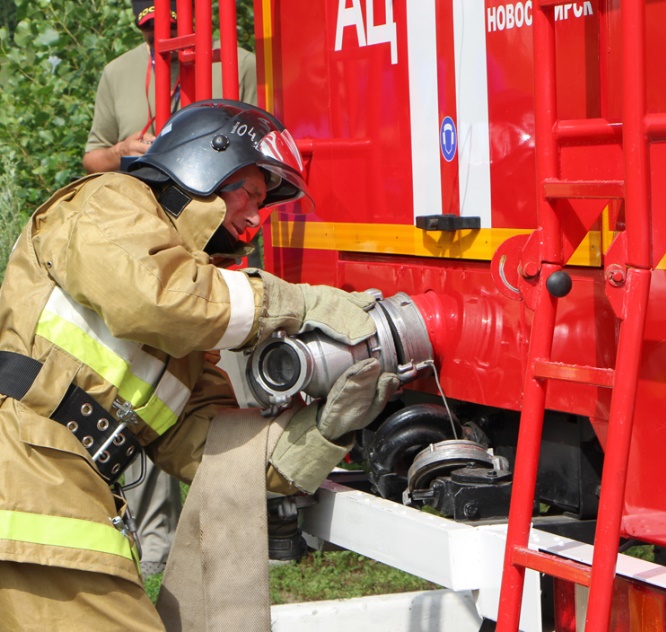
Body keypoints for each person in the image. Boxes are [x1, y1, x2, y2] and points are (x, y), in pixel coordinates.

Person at [0, 99, 398, 630]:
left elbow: (212, 448)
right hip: (27, 485)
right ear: (203, 163)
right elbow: (154, 297)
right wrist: (298, 304)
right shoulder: (109, 201)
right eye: (251, 193)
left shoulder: (184, 346)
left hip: (55, 492)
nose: (256, 218)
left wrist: (325, 429)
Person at [82, 0, 258, 575]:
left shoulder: (246, 65)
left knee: (221, 390)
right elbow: (93, 157)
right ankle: (156, 538)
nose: (166, 33)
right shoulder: (120, 72)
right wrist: (123, 154)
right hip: (152, 255)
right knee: (154, 387)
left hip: (231, 252)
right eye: (154, 23)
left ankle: (245, 530)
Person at [83, 0, 256, 173]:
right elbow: (92, 160)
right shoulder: (117, 72)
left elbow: (263, 150)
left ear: (194, 10)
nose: (159, 33)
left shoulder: (240, 64)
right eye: (148, 25)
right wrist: (120, 152)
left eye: (170, 23)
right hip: (139, 195)